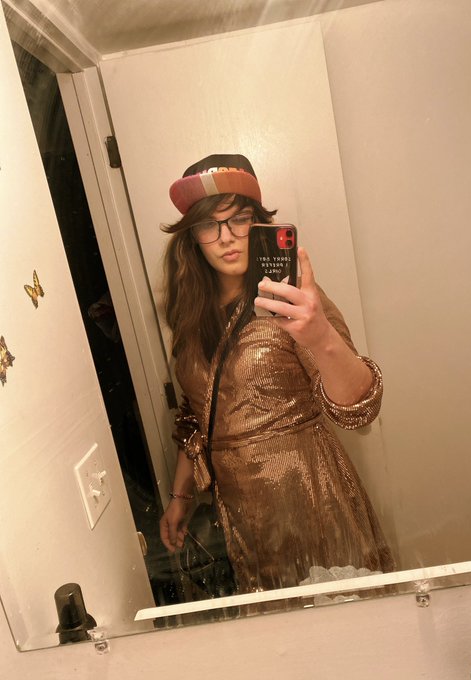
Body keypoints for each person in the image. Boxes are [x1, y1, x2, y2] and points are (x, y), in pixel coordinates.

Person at [159, 153, 394, 593]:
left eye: (239, 219)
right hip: (241, 514)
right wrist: (181, 497)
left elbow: (361, 410)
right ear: (193, 238)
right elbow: (194, 416)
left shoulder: (293, 300)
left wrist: (320, 336)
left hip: (311, 493)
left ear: (260, 224)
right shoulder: (190, 317)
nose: (226, 238)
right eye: (209, 224)